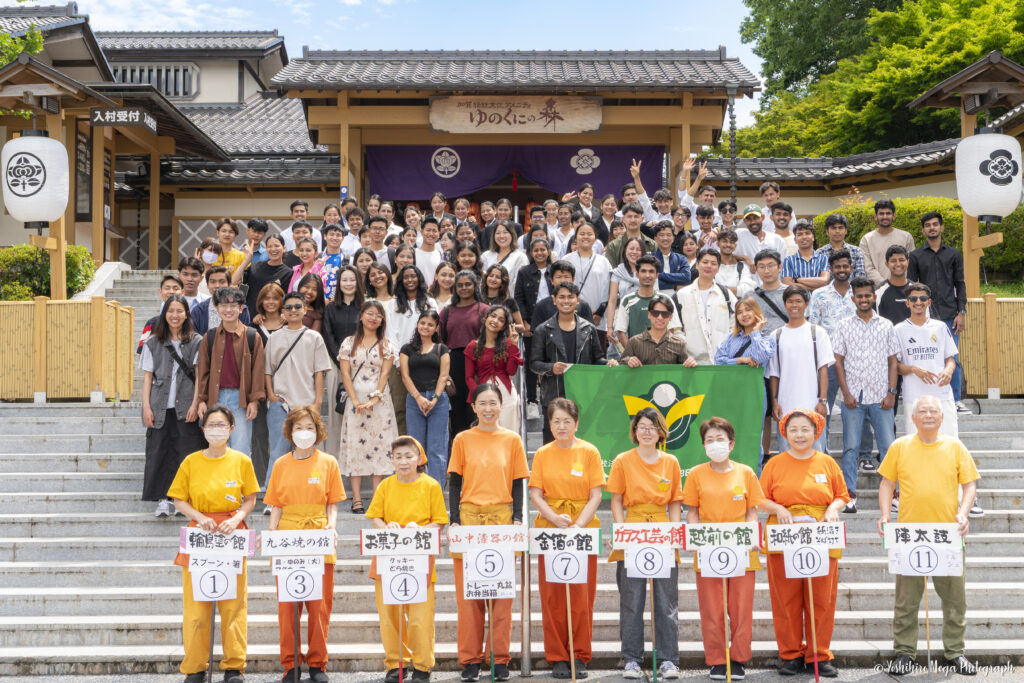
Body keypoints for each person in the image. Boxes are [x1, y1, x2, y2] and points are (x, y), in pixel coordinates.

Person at [877, 395, 980, 677]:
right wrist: (885, 515)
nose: (928, 415)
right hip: (910, 535)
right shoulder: (900, 446)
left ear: (941, 416)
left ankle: (955, 652)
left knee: (955, 598)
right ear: (913, 417)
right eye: (922, 411)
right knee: (906, 599)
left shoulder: (954, 446)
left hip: (948, 533)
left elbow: (969, 485)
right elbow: (887, 484)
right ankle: (905, 652)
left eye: (933, 410)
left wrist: (964, 512)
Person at [168, 405, 259, 683]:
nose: (216, 429)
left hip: (231, 535)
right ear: (203, 428)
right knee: (196, 607)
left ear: (232, 430)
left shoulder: (242, 461)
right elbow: (178, 498)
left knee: (233, 605)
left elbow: (250, 498)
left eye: (222, 425)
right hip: (201, 535)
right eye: (211, 424)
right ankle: (194, 666)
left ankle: (234, 666)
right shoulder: (191, 462)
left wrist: (238, 518)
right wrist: (198, 517)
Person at [448, 383, 530, 683]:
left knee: (502, 595)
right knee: (469, 597)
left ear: (501, 405)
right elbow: (455, 481)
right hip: (470, 520)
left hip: (502, 519)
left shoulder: (512, 440)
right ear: (473, 406)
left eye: (493, 402)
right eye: (482, 403)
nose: (488, 408)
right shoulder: (462, 439)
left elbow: (518, 482)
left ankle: (499, 658)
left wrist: (519, 517)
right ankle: (470, 659)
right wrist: (454, 519)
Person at [758, 409, 849, 677]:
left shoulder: (827, 463)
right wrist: (777, 509)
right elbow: (759, 499)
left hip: (820, 534)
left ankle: (818, 654)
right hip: (784, 534)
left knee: (822, 597)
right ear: (784, 432)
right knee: (785, 597)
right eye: (794, 429)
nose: (799, 435)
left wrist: (833, 508)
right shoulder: (774, 464)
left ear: (815, 432)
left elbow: (842, 495)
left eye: (805, 429)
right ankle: (790, 655)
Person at [264, 406, 345, 683]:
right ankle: (290, 664)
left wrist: (331, 525)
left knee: (319, 605)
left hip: (318, 534)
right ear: (290, 431)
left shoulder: (328, 462)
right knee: (288, 606)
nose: (304, 433)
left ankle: (317, 664)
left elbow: (332, 503)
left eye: (309, 427)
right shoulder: (280, 464)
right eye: (298, 428)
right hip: (288, 535)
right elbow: (275, 505)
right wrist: (272, 534)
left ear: (318, 430)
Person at [683, 417, 766, 680]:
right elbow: (692, 512)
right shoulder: (696, 474)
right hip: (708, 547)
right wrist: (695, 537)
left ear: (731, 444)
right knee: (712, 608)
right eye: (709, 440)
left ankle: (739, 658)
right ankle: (718, 659)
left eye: (720, 439)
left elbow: (752, 511)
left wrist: (752, 534)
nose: (715, 444)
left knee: (741, 608)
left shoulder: (746, 473)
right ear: (703, 445)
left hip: (741, 547)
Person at [528, 398, 605, 679]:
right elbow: (535, 493)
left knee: (582, 595)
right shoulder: (542, 453)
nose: (561, 427)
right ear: (549, 424)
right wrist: (553, 518)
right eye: (556, 421)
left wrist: (578, 524)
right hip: (550, 529)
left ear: (576, 423)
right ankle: (557, 655)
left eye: (567, 421)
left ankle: (580, 654)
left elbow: (596, 493)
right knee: (553, 596)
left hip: (582, 530)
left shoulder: (589, 452)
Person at [606, 408, 683, 679]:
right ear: (634, 431)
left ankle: (668, 659)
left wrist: (673, 533)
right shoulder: (622, 460)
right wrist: (621, 532)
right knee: (631, 600)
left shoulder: (671, 461)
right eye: (642, 426)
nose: (647, 431)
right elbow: (616, 499)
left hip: (662, 529)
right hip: (633, 528)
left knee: (666, 601)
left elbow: (675, 500)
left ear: (660, 431)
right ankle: (631, 659)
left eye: (652, 426)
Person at [367, 436, 449, 682]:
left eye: (408, 456)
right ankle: (396, 664)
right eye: (398, 456)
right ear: (391, 459)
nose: (403, 461)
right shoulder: (385, 486)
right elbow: (375, 516)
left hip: (419, 560)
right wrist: (386, 528)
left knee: (420, 617)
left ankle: (422, 665)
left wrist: (421, 530)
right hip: (388, 558)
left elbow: (439, 522)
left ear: (419, 458)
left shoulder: (431, 485)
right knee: (390, 616)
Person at [832, 278, 899, 512]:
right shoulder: (843, 325)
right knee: (850, 447)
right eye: (859, 296)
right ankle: (848, 494)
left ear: (874, 297)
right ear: (853, 299)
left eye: (867, 295)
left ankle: (893, 494)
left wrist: (892, 392)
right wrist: (846, 393)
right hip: (853, 397)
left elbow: (893, 361)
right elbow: (838, 362)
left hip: (881, 395)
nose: (863, 299)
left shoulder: (887, 325)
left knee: (888, 447)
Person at [141, 294, 205, 517]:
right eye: (171, 311)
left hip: (186, 404)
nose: (175, 315)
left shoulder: (196, 341)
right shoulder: (152, 342)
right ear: (164, 313)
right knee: (160, 452)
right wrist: (146, 407)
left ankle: (184, 499)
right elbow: (148, 378)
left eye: (179, 311)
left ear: (187, 313)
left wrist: (196, 403)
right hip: (160, 406)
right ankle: (162, 500)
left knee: (187, 452)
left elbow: (199, 376)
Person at [263, 291, 331, 492]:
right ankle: (272, 496)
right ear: (282, 311)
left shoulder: (314, 337)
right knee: (278, 451)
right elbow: (267, 371)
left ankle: (312, 493)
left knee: (309, 452)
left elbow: (320, 372)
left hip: (307, 403)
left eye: (297, 307)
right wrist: (271, 396)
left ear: (305, 309)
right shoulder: (274, 337)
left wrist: (317, 403)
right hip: (281, 403)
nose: (293, 311)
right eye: (289, 307)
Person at [531, 283, 614, 441]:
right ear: (554, 300)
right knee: (552, 441)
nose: (566, 301)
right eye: (561, 297)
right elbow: (534, 364)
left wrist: (608, 363)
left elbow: (598, 359)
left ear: (578, 300)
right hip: (553, 395)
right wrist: (551, 368)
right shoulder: (543, 329)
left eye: (570, 297)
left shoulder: (588, 329)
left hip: (582, 396)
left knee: (582, 441)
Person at [337, 301, 398, 514]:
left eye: (378, 315)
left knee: (379, 447)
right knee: (356, 446)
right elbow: (345, 373)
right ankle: (355, 499)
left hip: (379, 402)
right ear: (361, 316)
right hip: (355, 399)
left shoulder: (386, 344)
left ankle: (377, 497)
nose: (374, 318)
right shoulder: (349, 342)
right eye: (369, 313)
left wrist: (375, 398)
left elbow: (385, 374)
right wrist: (354, 401)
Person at [908, 211, 968, 413]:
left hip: (951, 314)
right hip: (924, 316)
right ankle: (926, 400)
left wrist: (962, 312)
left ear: (941, 227)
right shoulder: (915, 256)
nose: (932, 227)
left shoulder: (954, 254)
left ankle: (956, 399)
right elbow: (912, 287)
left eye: (935, 224)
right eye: (928, 225)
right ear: (923, 229)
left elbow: (960, 284)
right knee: (923, 357)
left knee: (952, 358)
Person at [196, 286, 265, 456]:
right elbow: (202, 372)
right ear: (217, 308)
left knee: (241, 447)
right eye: (223, 306)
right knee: (216, 445)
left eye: (234, 305)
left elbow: (258, 370)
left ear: (241, 308)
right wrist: (202, 400)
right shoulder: (209, 337)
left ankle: (239, 482)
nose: (228, 310)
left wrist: (254, 401)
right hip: (215, 396)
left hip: (240, 399)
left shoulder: (251, 336)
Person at [766, 286, 833, 453]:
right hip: (785, 404)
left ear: (806, 304)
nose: (794, 305)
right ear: (785, 304)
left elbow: (823, 370)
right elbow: (774, 373)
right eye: (790, 301)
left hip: (813, 403)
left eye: (798, 301)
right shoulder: (776, 335)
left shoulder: (817, 333)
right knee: (786, 453)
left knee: (816, 452)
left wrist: (823, 400)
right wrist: (774, 401)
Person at [714, 297, 777, 463]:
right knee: (729, 432)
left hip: (753, 391)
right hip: (731, 391)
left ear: (756, 312)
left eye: (748, 310)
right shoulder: (731, 338)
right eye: (740, 312)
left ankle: (753, 477)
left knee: (753, 435)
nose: (744, 315)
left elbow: (760, 356)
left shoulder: (767, 338)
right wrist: (740, 360)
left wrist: (756, 333)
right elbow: (719, 360)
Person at [808, 250, 858, 452]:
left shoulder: (860, 293)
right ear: (831, 269)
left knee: (856, 409)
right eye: (837, 266)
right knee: (823, 407)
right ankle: (822, 450)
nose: (842, 270)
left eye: (845, 266)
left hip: (856, 362)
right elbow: (813, 328)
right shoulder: (819, 294)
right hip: (827, 362)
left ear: (851, 268)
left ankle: (860, 454)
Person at [400, 311, 451, 485]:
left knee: (437, 448)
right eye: (423, 323)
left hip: (438, 401)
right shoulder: (407, 349)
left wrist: (434, 399)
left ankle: (435, 488)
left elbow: (444, 376)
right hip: (415, 400)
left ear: (436, 328)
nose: (425, 327)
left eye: (430, 324)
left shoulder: (441, 348)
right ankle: (416, 486)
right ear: (417, 324)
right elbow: (405, 376)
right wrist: (418, 398)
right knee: (415, 446)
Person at [385, 265, 438, 435]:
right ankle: (402, 446)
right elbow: (390, 334)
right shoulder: (393, 304)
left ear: (419, 279)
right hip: (399, 361)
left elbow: (434, 330)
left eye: (413, 276)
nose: (409, 280)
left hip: (425, 360)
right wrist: (398, 361)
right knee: (399, 407)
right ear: (400, 280)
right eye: (405, 277)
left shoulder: (430, 302)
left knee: (427, 405)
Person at [440, 270, 489, 436]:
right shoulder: (447, 311)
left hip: (478, 362)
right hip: (454, 363)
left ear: (475, 285)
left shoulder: (484, 310)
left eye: (468, 284)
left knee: (477, 406)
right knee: (456, 409)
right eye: (459, 285)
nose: (464, 288)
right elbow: (441, 340)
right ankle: (460, 447)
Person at [323, 266, 364, 457]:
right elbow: (328, 336)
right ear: (338, 283)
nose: (348, 284)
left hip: (362, 366)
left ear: (358, 282)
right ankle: (336, 459)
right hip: (336, 365)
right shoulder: (331, 308)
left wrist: (355, 361)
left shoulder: (365, 307)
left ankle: (358, 458)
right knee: (335, 412)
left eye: (352, 280)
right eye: (344, 280)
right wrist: (341, 362)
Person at [465, 305, 523, 432]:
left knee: (509, 432)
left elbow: (511, 371)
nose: (495, 321)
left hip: (506, 393)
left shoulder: (508, 343)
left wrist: (514, 346)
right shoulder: (473, 346)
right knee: (488, 432)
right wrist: (478, 394)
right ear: (486, 318)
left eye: (501, 320)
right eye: (493, 316)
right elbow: (469, 377)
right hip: (483, 392)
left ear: (504, 326)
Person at [676, 248, 737, 365]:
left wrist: (727, 350)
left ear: (718, 268)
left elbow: (734, 325)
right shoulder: (681, 295)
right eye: (705, 262)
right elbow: (676, 329)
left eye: (713, 263)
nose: (709, 266)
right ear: (697, 265)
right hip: (691, 363)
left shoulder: (726, 294)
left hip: (722, 361)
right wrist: (685, 354)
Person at [515, 239, 552, 418]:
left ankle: (550, 399)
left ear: (549, 251)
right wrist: (525, 322)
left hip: (554, 322)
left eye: (542, 249)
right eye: (535, 250)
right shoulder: (524, 272)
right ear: (531, 252)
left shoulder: (555, 270)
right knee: (532, 363)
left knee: (551, 361)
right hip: (532, 323)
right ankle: (532, 400)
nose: (539, 253)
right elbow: (519, 298)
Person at [614, 255, 683, 348]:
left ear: (657, 275)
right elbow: (621, 333)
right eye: (643, 271)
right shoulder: (627, 300)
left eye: (651, 271)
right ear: (637, 274)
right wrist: (633, 355)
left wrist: (658, 353)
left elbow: (671, 330)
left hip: (662, 357)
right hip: (636, 359)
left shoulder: (666, 300)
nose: (647, 275)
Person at [563, 222, 612, 348]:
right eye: (582, 234)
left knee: (597, 355)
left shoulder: (603, 261)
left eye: (589, 234)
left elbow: (610, 290)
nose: (586, 237)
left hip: (598, 319)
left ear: (595, 238)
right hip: (571, 315)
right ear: (575, 237)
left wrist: (600, 312)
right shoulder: (566, 260)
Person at [620, 294, 694, 368]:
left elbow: (684, 371)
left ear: (670, 317)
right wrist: (628, 360)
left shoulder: (679, 344)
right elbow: (621, 364)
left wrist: (690, 363)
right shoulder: (634, 342)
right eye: (655, 313)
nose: (660, 317)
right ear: (649, 315)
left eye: (665, 314)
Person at [859, 200, 915, 287]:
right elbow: (868, 268)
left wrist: (900, 283)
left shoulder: (906, 237)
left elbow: (910, 264)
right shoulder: (866, 239)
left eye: (888, 213)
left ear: (894, 216)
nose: (885, 216)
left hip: (904, 288)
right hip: (878, 290)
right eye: (881, 213)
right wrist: (886, 285)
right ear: (875, 216)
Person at [235, 234, 291, 316]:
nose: (273, 249)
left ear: (284, 248)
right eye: (269, 246)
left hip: (270, 319)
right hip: (248, 316)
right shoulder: (255, 267)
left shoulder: (288, 273)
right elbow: (234, 281)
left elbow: (285, 300)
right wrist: (246, 260)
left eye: (277, 246)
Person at [606, 237, 647, 343]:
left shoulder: (648, 272)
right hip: (622, 318)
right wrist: (610, 327)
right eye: (631, 248)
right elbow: (612, 301)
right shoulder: (618, 272)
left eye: (638, 249)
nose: (634, 252)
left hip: (643, 317)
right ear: (625, 251)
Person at [192, 266, 252, 335]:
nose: (217, 285)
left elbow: (245, 336)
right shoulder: (198, 310)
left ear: (229, 284)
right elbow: (194, 339)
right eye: (213, 282)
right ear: (207, 285)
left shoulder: (241, 309)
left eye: (222, 281)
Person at [734, 205, 787, 278]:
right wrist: (745, 258)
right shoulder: (739, 235)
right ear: (744, 221)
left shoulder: (777, 239)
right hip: (748, 285)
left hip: (772, 285)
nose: (753, 222)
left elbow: (784, 265)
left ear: (762, 217)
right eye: (749, 219)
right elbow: (724, 255)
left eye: (756, 218)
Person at [137, 274, 185, 353]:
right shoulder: (151, 323)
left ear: (182, 292)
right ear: (160, 292)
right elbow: (142, 352)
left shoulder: (189, 321)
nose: (171, 291)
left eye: (175, 288)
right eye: (167, 288)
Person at [781, 221, 830, 290]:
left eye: (807, 233)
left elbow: (824, 280)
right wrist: (817, 286)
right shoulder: (789, 260)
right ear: (795, 240)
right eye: (800, 234)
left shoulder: (823, 259)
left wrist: (797, 280)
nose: (804, 237)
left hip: (819, 300)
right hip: (798, 300)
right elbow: (787, 284)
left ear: (813, 237)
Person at [604, 203, 656, 268]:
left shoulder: (652, 244)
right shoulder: (613, 246)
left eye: (636, 216)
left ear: (642, 219)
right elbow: (611, 272)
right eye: (629, 216)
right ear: (623, 219)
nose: (633, 220)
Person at [814, 214, 866, 279]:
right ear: (827, 231)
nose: (837, 231)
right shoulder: (820, 253)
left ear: (846, 231)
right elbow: (818, 277)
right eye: (833, 228)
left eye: (840, 228)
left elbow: (860, 276)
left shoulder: (856, 251)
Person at [481, 220, 529, 291]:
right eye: (498, 233)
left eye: (505, 232)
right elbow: (481, 280)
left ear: (512, 235)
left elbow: (518, 285)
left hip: (509, 299)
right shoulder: (486, 256)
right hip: (487, 300)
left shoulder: (520, 257)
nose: (501, 236)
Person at [650, 221, 692, 293]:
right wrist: (674, 286)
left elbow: (686, 277)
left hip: (677, 298)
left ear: (673, 238)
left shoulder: (681, 258)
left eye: (669, 235)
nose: (665, 238)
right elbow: (649, 280)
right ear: (655, 239)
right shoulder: (650, 258)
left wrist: (660, 275)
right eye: (662, 235)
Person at [482, 264, 525, 333]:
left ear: (503, 281)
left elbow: (521, 327)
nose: (493, 279)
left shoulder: (509, 301)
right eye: (491, 276)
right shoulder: (479, 299)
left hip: (503, 341)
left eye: (497, 277)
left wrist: (503, 325)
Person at [753, 250, 788, 333]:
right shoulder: (750, 297)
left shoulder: (792, 293)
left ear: (779, 267)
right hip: (760, 343)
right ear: (756, 269)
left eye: (770, 266)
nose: (766, 271)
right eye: (761, 267)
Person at [876, 245, 911, 326]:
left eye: (901, 260)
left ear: (908, 262)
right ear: (886, 264)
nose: (898, 264)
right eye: (893, 261)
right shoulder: (878, 293)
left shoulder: (918, 292)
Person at [715, 229, 756, 297]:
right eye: (724, 241)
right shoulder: (711, 265)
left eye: (731, 242)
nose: (728, 245)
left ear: (735, 246)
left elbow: (747, 290)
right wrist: (737, 291)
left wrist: (717, 290)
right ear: (718, 244)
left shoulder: (742, 267)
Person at [319, 223, 347, 301]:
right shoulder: (317, 258)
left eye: (338, 235)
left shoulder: (348, 259)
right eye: (331, 234)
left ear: (343, 238)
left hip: (341, 301)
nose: (335, 238)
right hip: (320, 302)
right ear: (325, 236)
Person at [415, 218, 444, 287]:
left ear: (439, 234)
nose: (431, 234)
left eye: (434, 231)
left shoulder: (440, 255)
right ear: (421, 232)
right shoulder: (413, 253)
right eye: (428, 230)